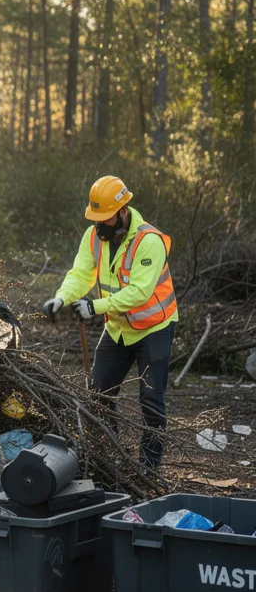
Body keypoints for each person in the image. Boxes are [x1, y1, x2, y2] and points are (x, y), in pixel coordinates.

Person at [43, 175, 178, 469]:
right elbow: (81, 274)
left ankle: (149, 469)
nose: (99, 225)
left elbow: (139, 293)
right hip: (118, 329)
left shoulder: (149, 241)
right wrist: (62, 298)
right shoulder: (94, 236)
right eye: (96, 219)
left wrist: (95, 306)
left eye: (105, 219)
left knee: (151, 401)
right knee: (99, 396)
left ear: (122, 211)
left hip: (154, 327)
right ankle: (110, 459)